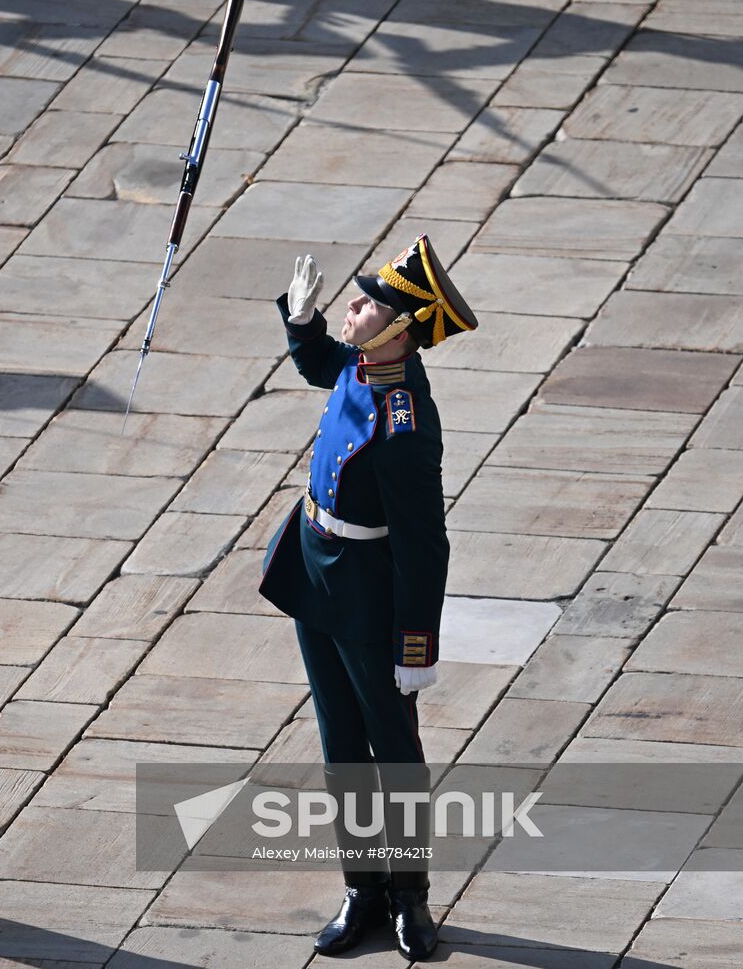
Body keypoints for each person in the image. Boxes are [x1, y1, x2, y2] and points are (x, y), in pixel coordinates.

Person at [258, 235, 478, 961]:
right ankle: (362, 889)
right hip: (315, 566)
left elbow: (424, 548)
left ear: (400, 331)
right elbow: (324, 365)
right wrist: (301, 323)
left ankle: (409, 898)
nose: (353, 308)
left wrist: (415, 647)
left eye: (368, 304)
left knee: (395, 753)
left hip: (368, 600)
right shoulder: (362, 363)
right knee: (340, 747)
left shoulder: (407, 427)